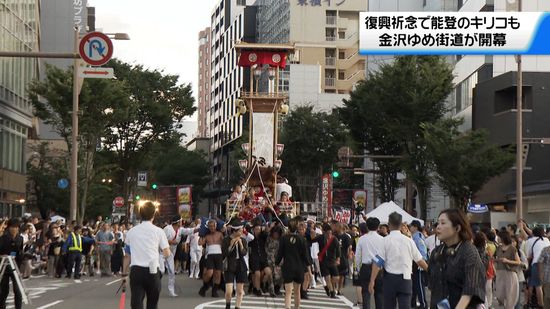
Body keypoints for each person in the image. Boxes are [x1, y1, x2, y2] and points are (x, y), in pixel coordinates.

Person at [428, 209, 485, 309]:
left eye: (443, 223)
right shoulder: (436, 252)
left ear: (457, 228)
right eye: (438, 223)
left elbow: (470, 289)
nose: (438, 226)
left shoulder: (469, 251)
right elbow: (433, 286)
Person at [368, 212, 428, 309]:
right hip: (406, 279)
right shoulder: (409, 241)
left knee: (389, 306)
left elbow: (378, 262)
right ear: (401, 225)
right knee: (405, 306)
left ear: (389, 225)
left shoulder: (385, 241)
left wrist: (372, 280)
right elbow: (419, 260)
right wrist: (430, 271)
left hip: (389, 279)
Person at [122, 201, 170, 309]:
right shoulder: (158, 231)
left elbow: (127, 256)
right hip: (153, 270)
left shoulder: (131, 232)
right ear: (153, 214)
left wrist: (124, 275)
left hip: (136, 270)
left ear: (140, 214)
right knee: (152, 303)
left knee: (136, 302)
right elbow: (167, 253)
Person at [276, 217, 310, 309]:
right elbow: (305, 256)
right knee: (297, 291)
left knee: (288, 291)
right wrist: (308, 269)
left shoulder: (284, 239)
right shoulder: (302, 239)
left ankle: (287, 307)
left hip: (288, 267)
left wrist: (276, 264)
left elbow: (280, 254)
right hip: (299, 268)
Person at [162, 215, 197, 297]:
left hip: (170, 254)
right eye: (181, 221)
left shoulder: (180, 230)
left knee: (172, 272)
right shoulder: (167, 229)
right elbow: (160, 239)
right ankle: (152, 287)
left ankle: (171, 291)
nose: (182, 222)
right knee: (161, 270)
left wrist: (198, 229)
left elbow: (189, 231)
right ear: (177, 222)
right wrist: (170, 242)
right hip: (162, 252)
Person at [356, 217, 384, 309]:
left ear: (367, 226)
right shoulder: (382, 239)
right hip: (379, 267)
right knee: (379, 293)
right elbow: (384, 256)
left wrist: (358, 268)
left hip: (366, 267)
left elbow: (358, 256)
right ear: (378, 227)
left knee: (366, 293)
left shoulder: (362, 239)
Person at [222, 218, 248, 309]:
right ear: (235, 231)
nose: (242, 231)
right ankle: (228, 306)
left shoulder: (243, 240)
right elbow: (225, 254)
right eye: (240, 230)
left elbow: (244, 253)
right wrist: (231, 245)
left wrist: (240, 245)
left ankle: (238, 307)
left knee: (240, 291)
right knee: (229, 291)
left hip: (241, 265)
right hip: (230, 265)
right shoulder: (226, 240)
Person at [310, 223, 341, 299]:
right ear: (324, 232)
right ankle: (332, 292)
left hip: (332, 261)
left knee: (336, 277)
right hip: (323, 261)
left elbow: (338, 249)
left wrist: (338, 259)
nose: (329, 235)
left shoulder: (334, 239)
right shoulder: (320, 238)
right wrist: (312, 233)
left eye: (330, 233)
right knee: (327, 277)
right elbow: (313, 240)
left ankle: (329, 286)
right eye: (327, 233)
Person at [0, 219, 24, 309]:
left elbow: (20, 252)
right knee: (4, 291)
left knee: (18, 290)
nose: (14, 229)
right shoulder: (3, 238)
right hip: (4, 266)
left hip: (15, 266)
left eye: (16, 227)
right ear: (9, 228)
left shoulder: (20, 238)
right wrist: (3, 256)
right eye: (12, 227)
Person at [495, 231, 521, 309]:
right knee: (499, 295)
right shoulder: (498, 247)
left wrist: (507, 261)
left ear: (503, 238)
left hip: (510, 273)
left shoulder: (512, 248)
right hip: (500, 273)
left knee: (510, 297)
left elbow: (518, 262)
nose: (498, 238)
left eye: (499, 237)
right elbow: (498, 258)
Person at [199, 219, 224, 298]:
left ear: (216, 226)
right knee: (209, 273)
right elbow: (200, 243)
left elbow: (225, 243)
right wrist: (201, 235)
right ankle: (205, 286)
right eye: (210, 226)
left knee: (218, 274)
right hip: (210, 255)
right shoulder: (207, 236)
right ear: (208, 227)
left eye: (213, 226)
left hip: (219, 255)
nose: (212, 228)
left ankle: (214, 290)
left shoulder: (220, 234)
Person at [527, 227, 550, 307]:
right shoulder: (546, 240)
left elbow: (529, 255)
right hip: (547, 264)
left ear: (533, 233)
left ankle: (541, 304)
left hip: (537, 264)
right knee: (546, 285)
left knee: (537, 285)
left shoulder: (530, 241)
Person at [409, 220, 428, 309]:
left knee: (419, 284)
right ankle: (413, 302)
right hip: (415, 263)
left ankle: (423, 303)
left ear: (415, 227)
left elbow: (422, 250)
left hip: (418, 263)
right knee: (415, 284)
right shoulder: (414, 236)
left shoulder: (417, 236)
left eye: (411, 226)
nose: (410, 227)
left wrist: (421, 263)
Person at [537, 241, 550, 309]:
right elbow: (540, 262)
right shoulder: (546, 250)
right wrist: (541, 275)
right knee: (547, 298)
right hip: (548, 279)